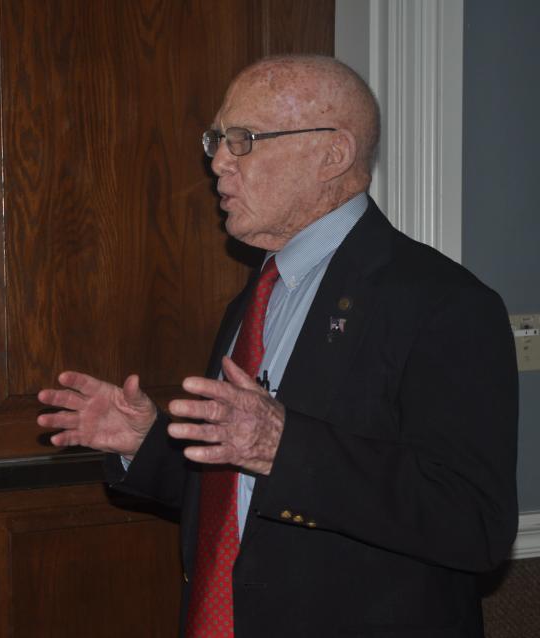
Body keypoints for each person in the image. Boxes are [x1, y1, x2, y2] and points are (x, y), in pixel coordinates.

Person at [38, 54, 518, 637]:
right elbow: (236, 500)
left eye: (243, 139)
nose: (217, 161)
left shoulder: (443, 304)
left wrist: (281, 445)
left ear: (332, 155)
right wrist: (147, 445)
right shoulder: (256, 298)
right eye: (217, 139)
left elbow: (474, 523)